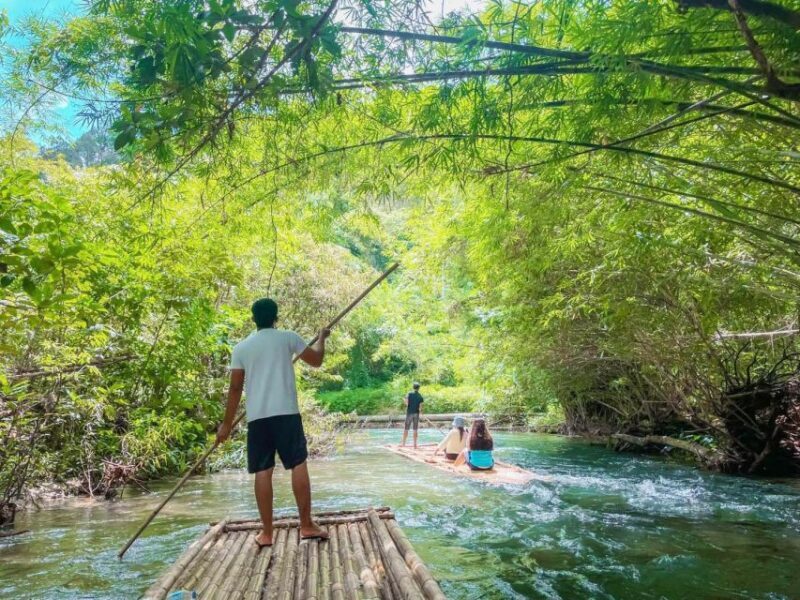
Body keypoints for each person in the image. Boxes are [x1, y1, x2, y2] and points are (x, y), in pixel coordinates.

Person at [216, 298, 330, 548]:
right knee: (298, 465)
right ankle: (307, 525)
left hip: (258, 418)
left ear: (253, 319)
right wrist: (322, 339)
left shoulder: (242, 348)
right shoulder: (288, 338)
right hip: (287, 414)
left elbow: (235, 388)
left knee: (262, 471)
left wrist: (226, 425)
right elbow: (317, 360)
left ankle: (267, 533)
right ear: (276, 317)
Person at [400, 382, 424, 449]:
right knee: (415, 429)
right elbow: (420, 408)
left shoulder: (409, 394)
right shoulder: (420, 396)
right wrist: (420, 411)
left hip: (409, 413)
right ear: (419, 388)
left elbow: (407, 403)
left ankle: (403, 444)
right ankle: (415, 445)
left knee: (406, 428)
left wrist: (404, 401)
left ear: (413, 387)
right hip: (416, 414)